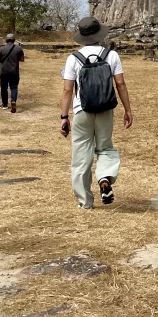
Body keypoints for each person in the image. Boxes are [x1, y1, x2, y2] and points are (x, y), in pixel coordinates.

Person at [59, 16, 133, 210]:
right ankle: (104, 178)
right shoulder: (112, 56)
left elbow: (67, 90)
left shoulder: (73, 58)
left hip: (82, 110)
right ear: (99, 34)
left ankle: (85, 201)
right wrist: (127, 109)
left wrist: (64, 117)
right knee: (105, 148)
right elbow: (120, 84)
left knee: (81, 155)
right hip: (105, 109)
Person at [0, 33, 25, 112]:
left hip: (4, 71)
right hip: (14, 72)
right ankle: (13, 101)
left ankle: (4, 105)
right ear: (14, 40)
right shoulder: (19, 48)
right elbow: (22, 59)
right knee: (14, 87)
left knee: (4, 88)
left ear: (6, 40)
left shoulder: (2, 49)